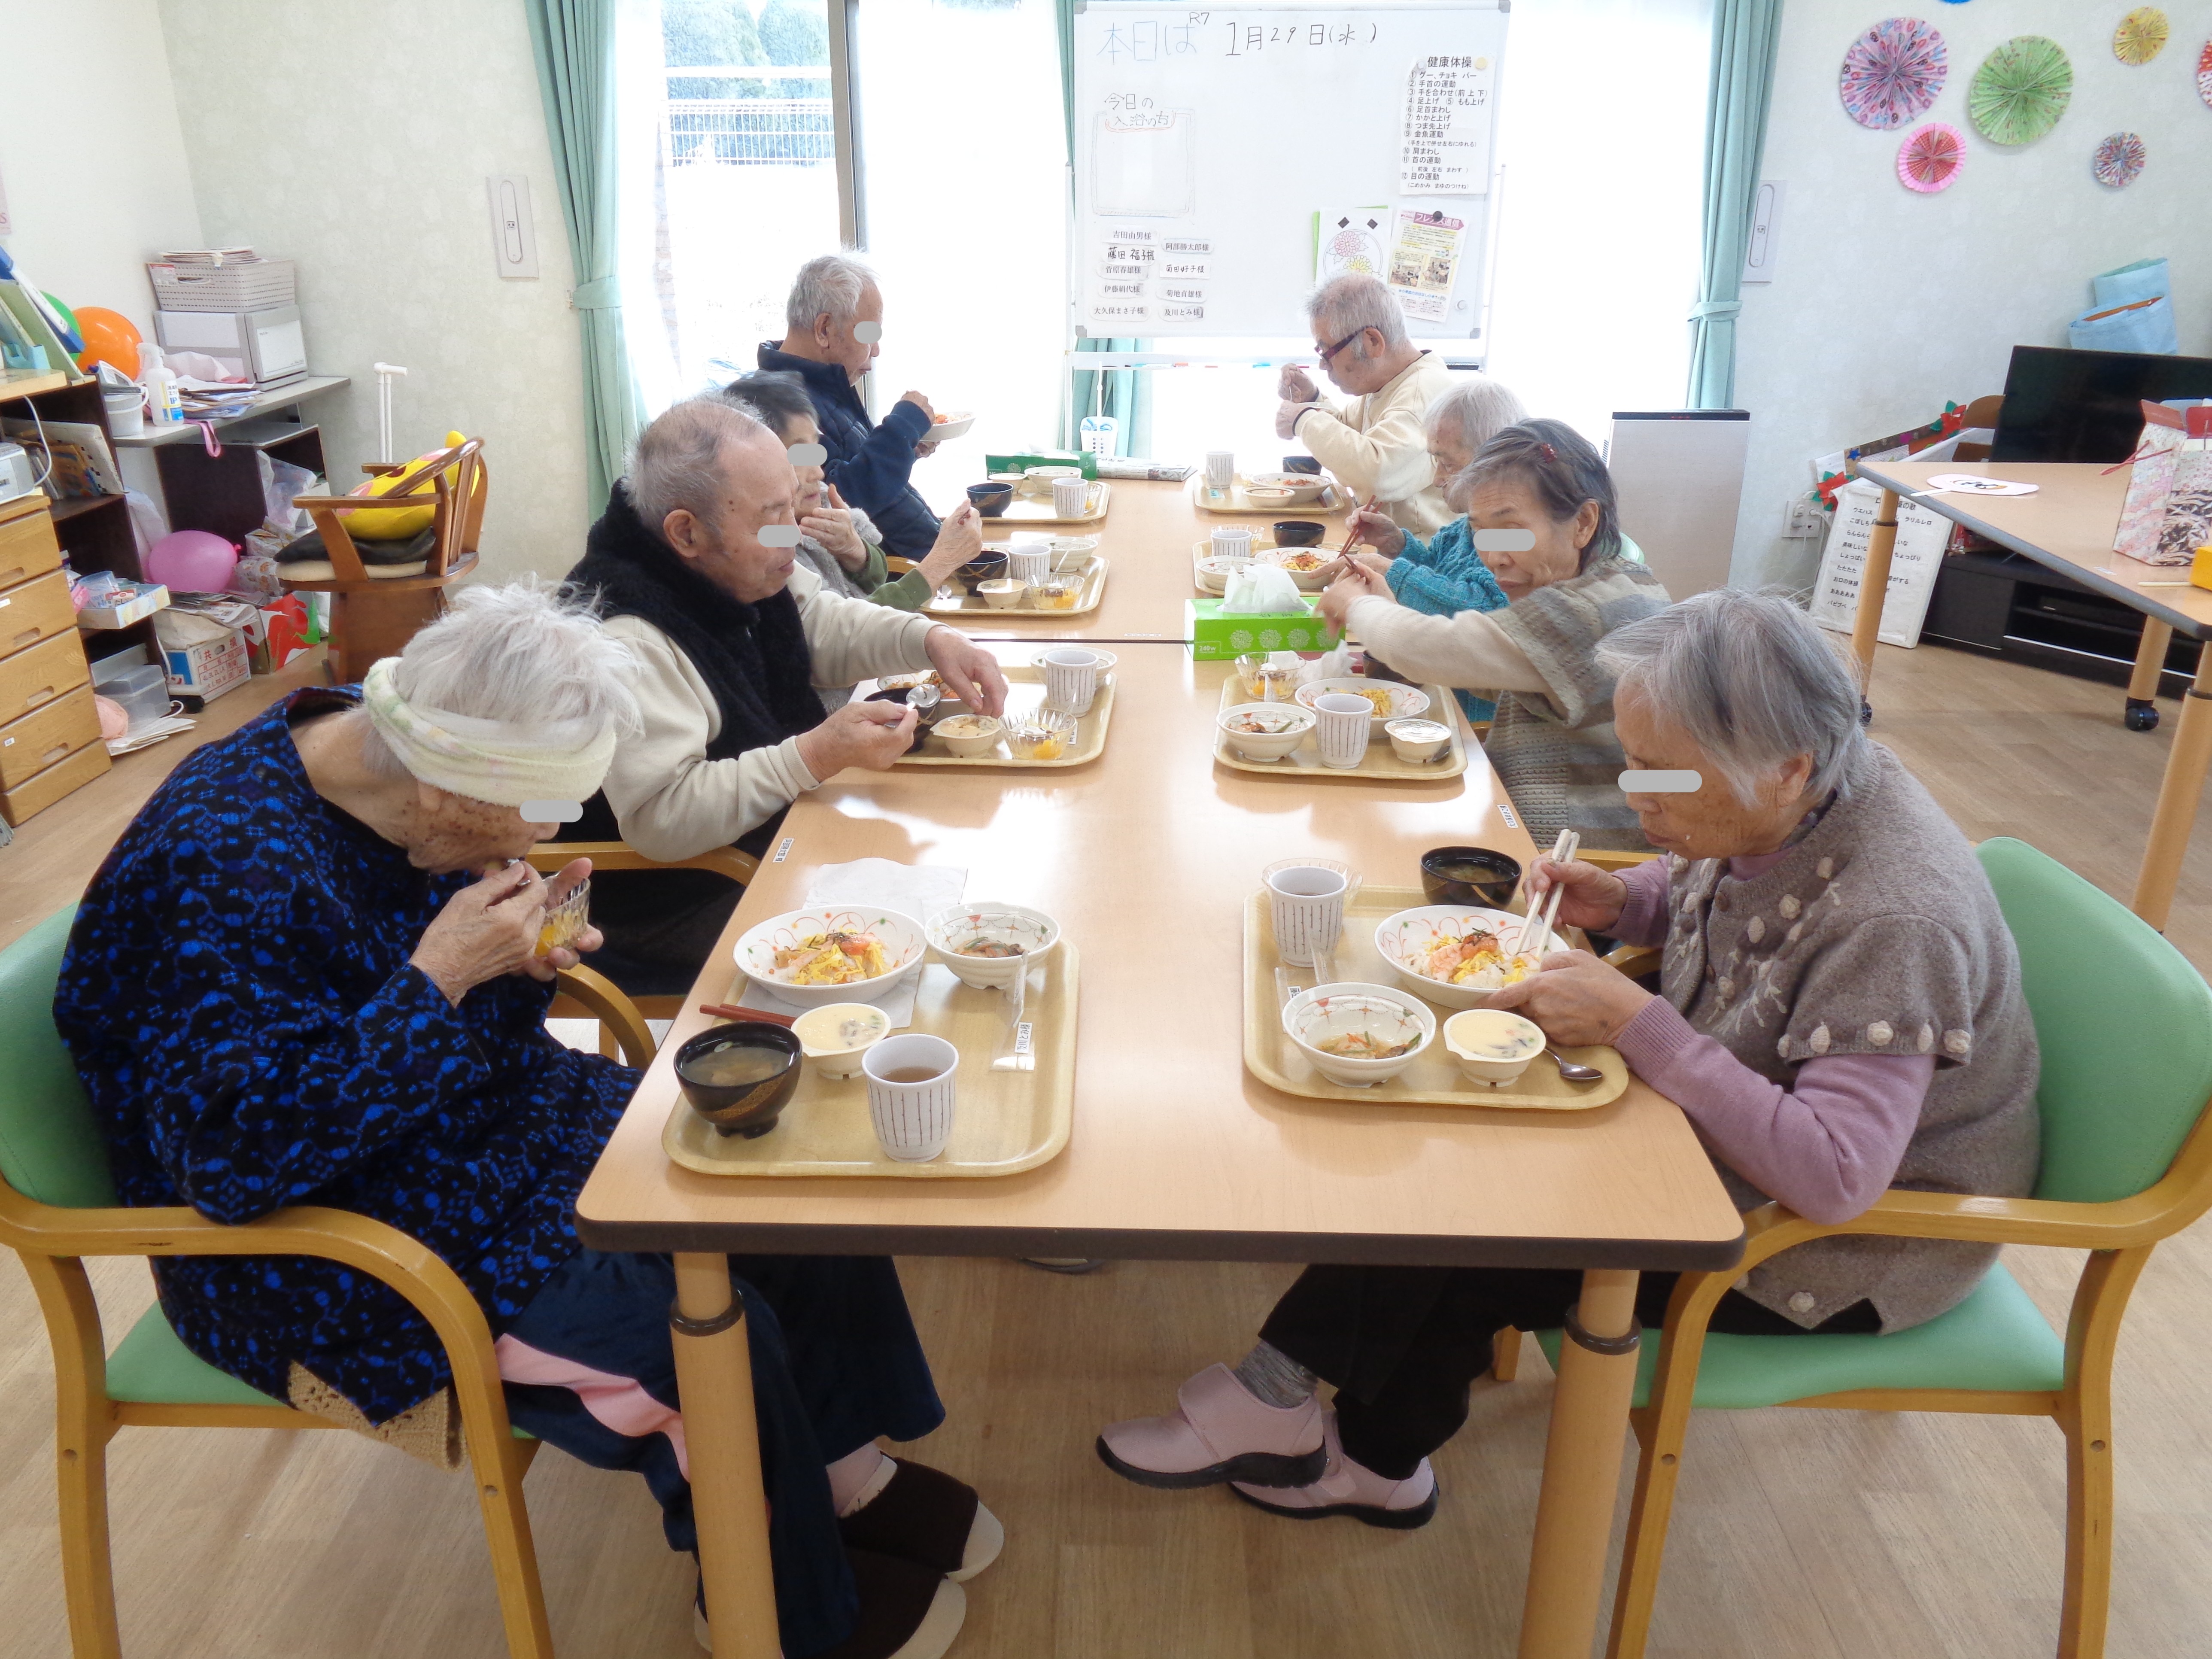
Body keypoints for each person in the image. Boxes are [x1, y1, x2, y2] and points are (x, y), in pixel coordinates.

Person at [53, 584, 1000, 1659]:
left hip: (486, 1126)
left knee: (774, 1172)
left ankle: (840, 1474)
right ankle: (776, 1609)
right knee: (695, 1338)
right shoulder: (220, 866)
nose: (546, 834)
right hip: (328, 1247)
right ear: (444, 782)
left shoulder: (396, 752)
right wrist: (440, 981)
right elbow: (234, 1164)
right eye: (535, 810)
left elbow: (447, 1026)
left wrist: (517, 960)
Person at [1097, 588, 2040, 1531]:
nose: (1636, 795)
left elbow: (1836, 1178)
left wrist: (1641, 1026)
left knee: (1482, 1222)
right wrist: (1626, 902)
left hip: (1835, 1253)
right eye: (1632, 762)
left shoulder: (1895, 920)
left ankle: (1359, 1453)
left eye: (1661, 776)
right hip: (1738, 1140)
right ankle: (1294, 1406)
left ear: (1788, 767)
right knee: (1464, 1155)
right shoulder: (1802, 791)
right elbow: (1728, 880)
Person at [563, 396, 1008, 991]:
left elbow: (817, 624)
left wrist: (930, 639)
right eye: (772, 517)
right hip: (666, 896)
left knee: (950, 870)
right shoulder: (628, 632)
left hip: (763, 841)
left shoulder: (731, 559)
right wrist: (814, 754)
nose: (792, 534)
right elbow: (662, 818)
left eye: (790, 507)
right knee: (905, 941)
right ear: (686, 532)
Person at [1317, 419, 1669, 850]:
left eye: (1512, 532)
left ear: (1583, 522)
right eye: (1481, 532)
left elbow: (1433, 651)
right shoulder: (1618, 582)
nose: (1494, 557)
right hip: (1517, 817)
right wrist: (1388, 606)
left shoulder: (1587, 611)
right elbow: (1488, 667)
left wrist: (1356, 605)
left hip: (1569, 857)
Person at [1336, 376, 1528, 723]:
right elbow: (1437, 573)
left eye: (1448, 464)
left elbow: (1477, 615)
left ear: (1495, 462)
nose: (1438, 478)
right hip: (1436, 689)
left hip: (1470, 718)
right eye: (1435, 462)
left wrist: (1393, 573)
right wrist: (1396, 545)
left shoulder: (1512, 537)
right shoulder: (1462, 529)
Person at [726, 370, 981, 617]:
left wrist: (854, 550)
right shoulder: (769, 552)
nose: (818, 473)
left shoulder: (822, 504)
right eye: (799, 455)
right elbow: (847, 635)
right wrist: (941, 562)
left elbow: (878, 575)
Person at [760, 254, 943, 563]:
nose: (877, 350)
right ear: (825, 330)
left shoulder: (825, 386)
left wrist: (906, 449)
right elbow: (836, 500)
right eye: (870, 335)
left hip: (924, 554)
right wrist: (901, 429)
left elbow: (853, 465)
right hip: (896, 573)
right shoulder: (779, 404)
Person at [1274, 273, 1456, 536]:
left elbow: (1377, 476)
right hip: (1389, 547)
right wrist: (1312, 400)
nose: (1323, 365)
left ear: (1372, 342)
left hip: (1423, 555)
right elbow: (1348, 438)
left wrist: (1302, 420)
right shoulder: (1390, 384)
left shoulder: (1423, 392)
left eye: (1327, 352)